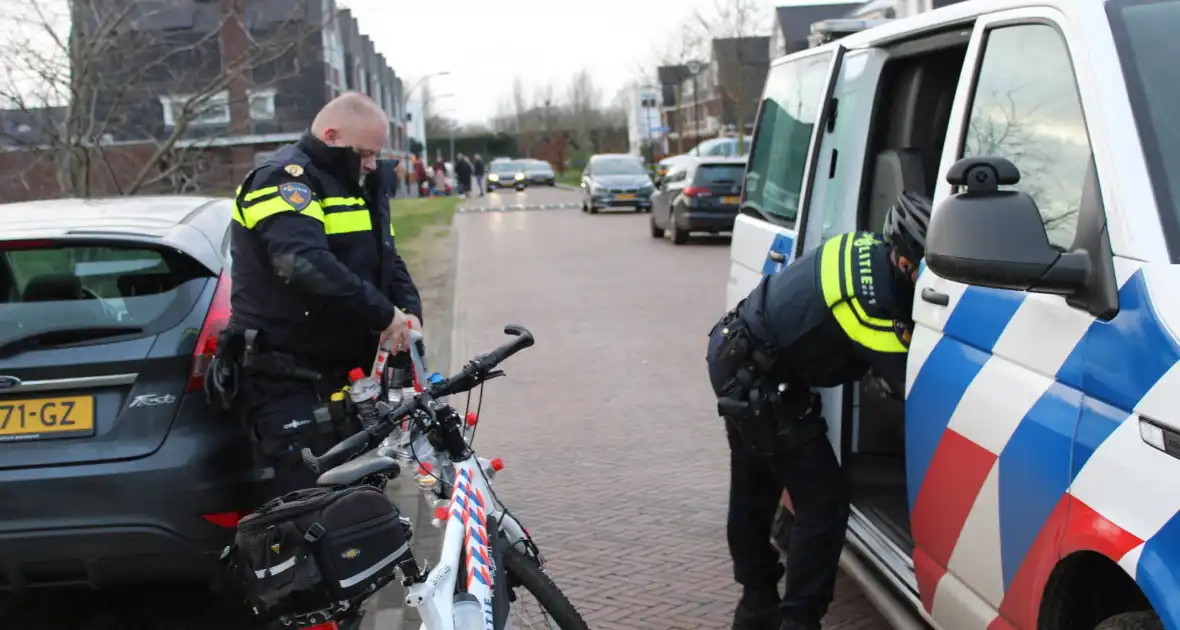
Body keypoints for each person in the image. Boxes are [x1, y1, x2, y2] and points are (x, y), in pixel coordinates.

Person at [704, 192, 932, 630]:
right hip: (757, 380)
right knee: (822, 501)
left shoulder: (865, 244)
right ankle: (797, 620)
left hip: (737, 352)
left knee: (754, 486)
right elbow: (911, 384)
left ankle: (755, 606)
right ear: (904, 262)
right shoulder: (869, 305)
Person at [218, 91, 424, 499]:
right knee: (312, 505)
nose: (370, 163)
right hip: (287, 380)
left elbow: (386, 258)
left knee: (361, 500)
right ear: (331, 135)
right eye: (365, 152)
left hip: (344, 379)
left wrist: (408, 313)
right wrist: (382, 315)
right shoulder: (284, 179)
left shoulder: (356, 185)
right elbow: (302, 263)